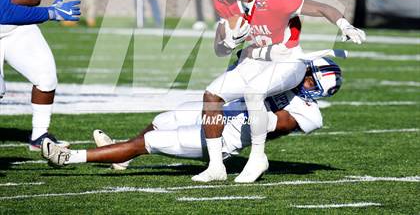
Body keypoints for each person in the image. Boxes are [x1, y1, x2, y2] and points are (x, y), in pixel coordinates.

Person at [194, 0, 366, 183]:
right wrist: (228, 41)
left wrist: (343, 25)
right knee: (212, 95)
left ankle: (257, 158)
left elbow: (322, 8)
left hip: (286, 61)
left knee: (254, 92)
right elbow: (220, 51)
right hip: (251, 61)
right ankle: (215, 166)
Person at [41, 57, 343, 168]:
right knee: (161, 121)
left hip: (226, 137)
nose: (303, 79)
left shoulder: (306, 113)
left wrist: (256, 91)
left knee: (151, 143)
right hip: (221, 114)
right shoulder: (288, 73)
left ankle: (70, 157)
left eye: (309, 80)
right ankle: (123, 159)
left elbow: (271, 122)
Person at [0, 0, 81, 150]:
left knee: (45, 75)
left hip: (15, 25)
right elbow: (4, 11)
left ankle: (39, 136)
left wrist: (22, 13)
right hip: (12, 17)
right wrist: (51, 13)